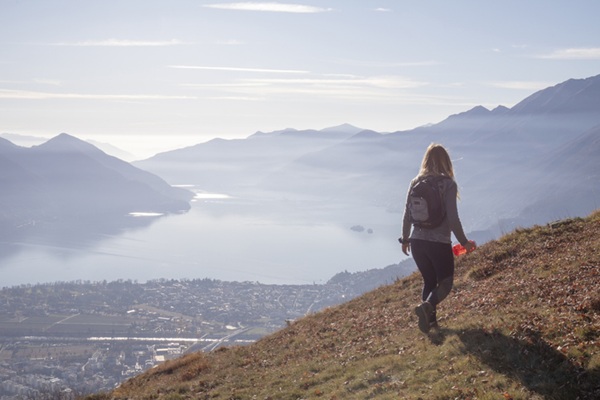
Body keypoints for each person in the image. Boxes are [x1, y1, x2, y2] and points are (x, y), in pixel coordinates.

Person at [400, 143, 475, 333]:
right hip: (438, 243)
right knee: (446, 283)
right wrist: (464, 242)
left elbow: (407, 214)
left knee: (429, 281)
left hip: (417, 242)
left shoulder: (415, 182)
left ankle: (430, 323)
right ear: (446, 162)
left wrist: (405, 238)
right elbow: (453, 218)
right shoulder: (448, 184)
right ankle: (427, 307)